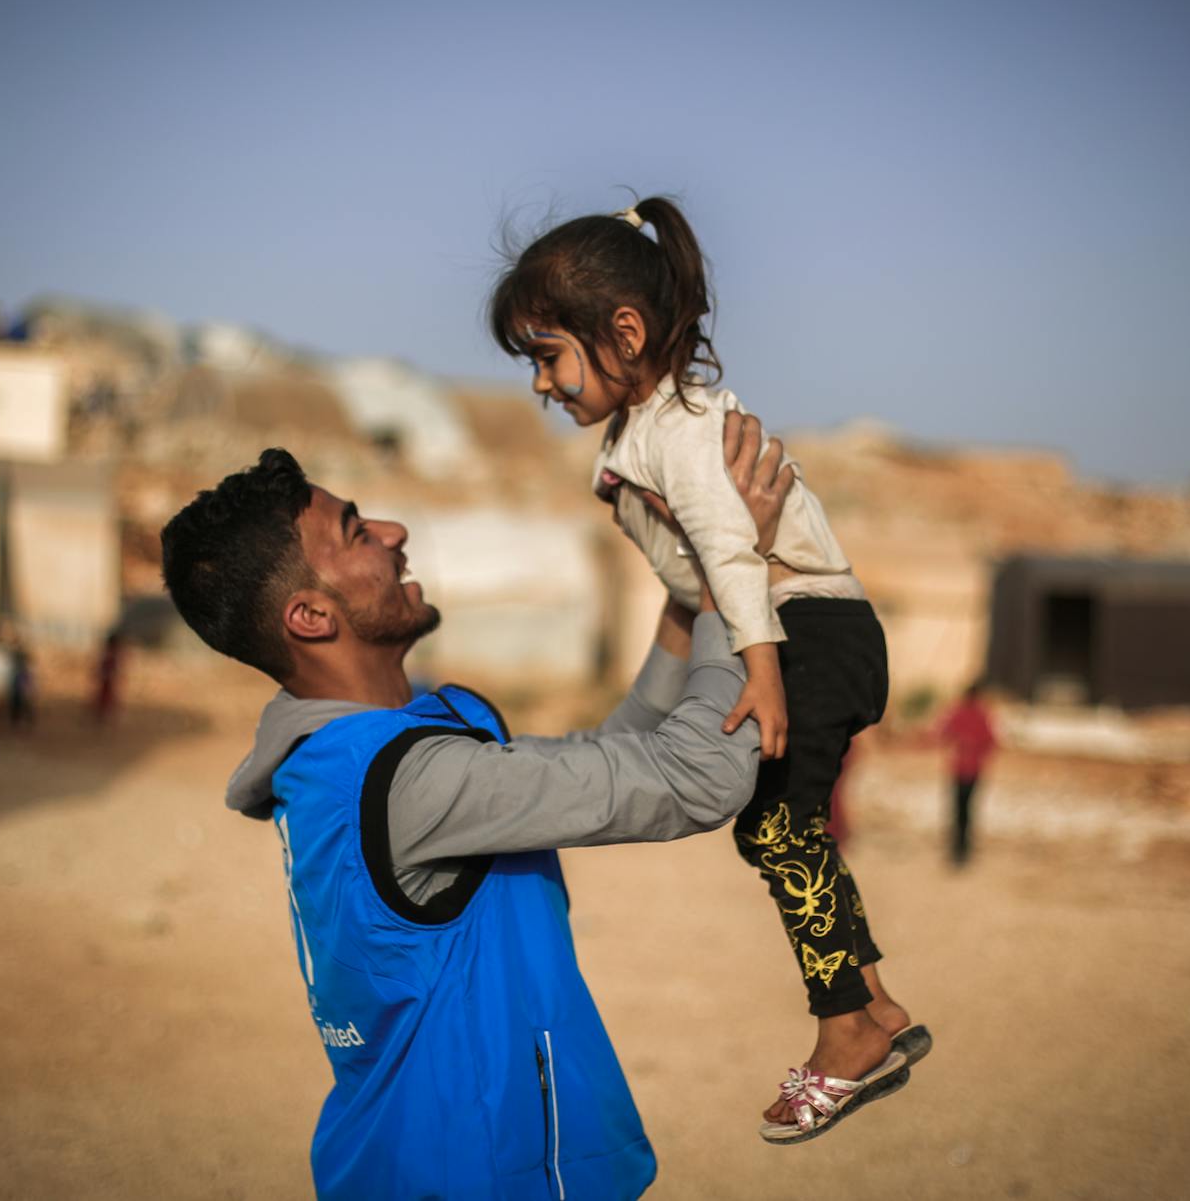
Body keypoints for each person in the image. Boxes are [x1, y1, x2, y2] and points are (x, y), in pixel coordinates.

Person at [160, 417, 872, 1199]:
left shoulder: (359, 758)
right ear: (310, 616)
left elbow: (601, 765)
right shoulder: (405, 780)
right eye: (357, 531)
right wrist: (731, 573)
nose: (394, 532)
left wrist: (682, 606)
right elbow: (696, 776)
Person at [487, 197, 928, 1143]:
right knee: (782, 824)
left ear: (625, 333)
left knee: (772, 823)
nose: (538, 383)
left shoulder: (684, 432)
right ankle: (869, 1008)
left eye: (547, 354)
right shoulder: (635, 437)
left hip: (808, 629)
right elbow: (689, 594)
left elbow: (732, 557)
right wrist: (638, 724)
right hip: (791, 627)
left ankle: (848, 1023)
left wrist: (760, 670)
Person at [931, 681, 999, 867]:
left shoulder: (958, 712)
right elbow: (991, 742)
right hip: (973, 770)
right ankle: (963, 849)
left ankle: (957, 850)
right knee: (967, 810)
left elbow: (941, 733)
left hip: (960, 768)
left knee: (958, 809)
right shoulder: (983, 715)